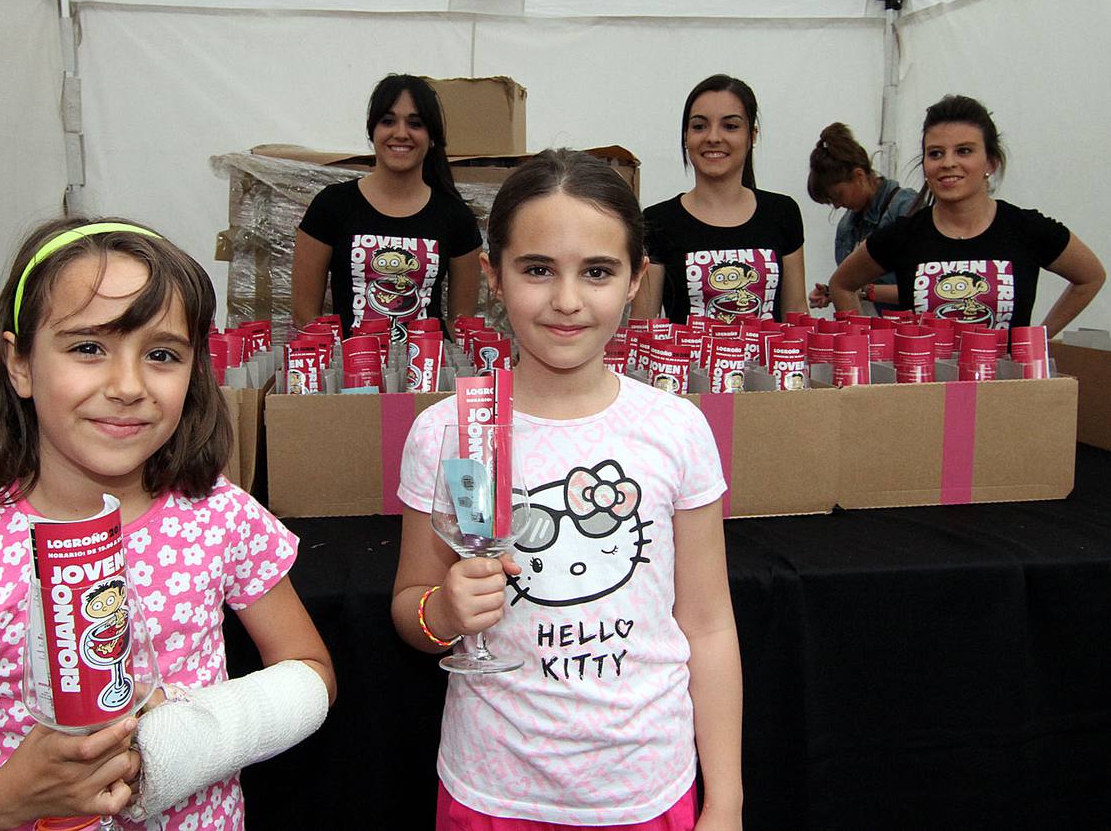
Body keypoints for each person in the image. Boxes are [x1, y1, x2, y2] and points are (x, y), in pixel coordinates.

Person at [0, 218, 336, 831]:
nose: (128, 386)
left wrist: (185, 740)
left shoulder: (218, 516)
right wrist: (10, 798)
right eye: (88, 347)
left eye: (162, 354)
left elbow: (311, 674)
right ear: (22, 364)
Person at [392, 150, 742, 830]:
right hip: (493, 787)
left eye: (598, 272)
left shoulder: (675, 429)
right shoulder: (455, 434)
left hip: (646, 783)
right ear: (493, 275)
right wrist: (445, 612)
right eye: (537, 270)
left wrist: (725, 796)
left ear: (637, 280)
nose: (567, 300)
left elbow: (708, 623)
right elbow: (412, 609)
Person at [829, 95, 1105, 334]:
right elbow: (842, 285)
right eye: (935, 153)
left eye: (964, 151)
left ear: (991, 161)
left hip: (1011, 391)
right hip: (925, 392)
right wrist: (872, 349)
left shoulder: (1025, 229)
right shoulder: (904, 235)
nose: (948, 163)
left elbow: (1090, 276)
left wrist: (1039, 339)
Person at [291, 73, 483, 341]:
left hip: (427, 378)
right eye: (388, 121)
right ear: (373, 131)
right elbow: (304, 315)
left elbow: (461, 323)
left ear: (432, 137)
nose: (401, 133)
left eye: (415, 123)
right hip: (349, 378)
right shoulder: (331, 205)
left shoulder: (456, 217)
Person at [633, 74, 807, 324]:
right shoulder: (657, 220)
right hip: (690, 364)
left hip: (769, 364)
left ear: (752, 136)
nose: (713, 137)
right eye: (699, 126)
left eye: (730, 126)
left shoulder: (782, 212)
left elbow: (797, 314)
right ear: (686, 136)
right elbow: (643, 324)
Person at [805, 122, 917, 313]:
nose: (838, 205)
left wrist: (863, 291)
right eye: (831, 202)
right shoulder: (846, 227)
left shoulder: (906, 209)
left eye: (838, 196)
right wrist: (833, 291)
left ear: (859, 176)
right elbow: (850, 285)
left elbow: (925, 290)